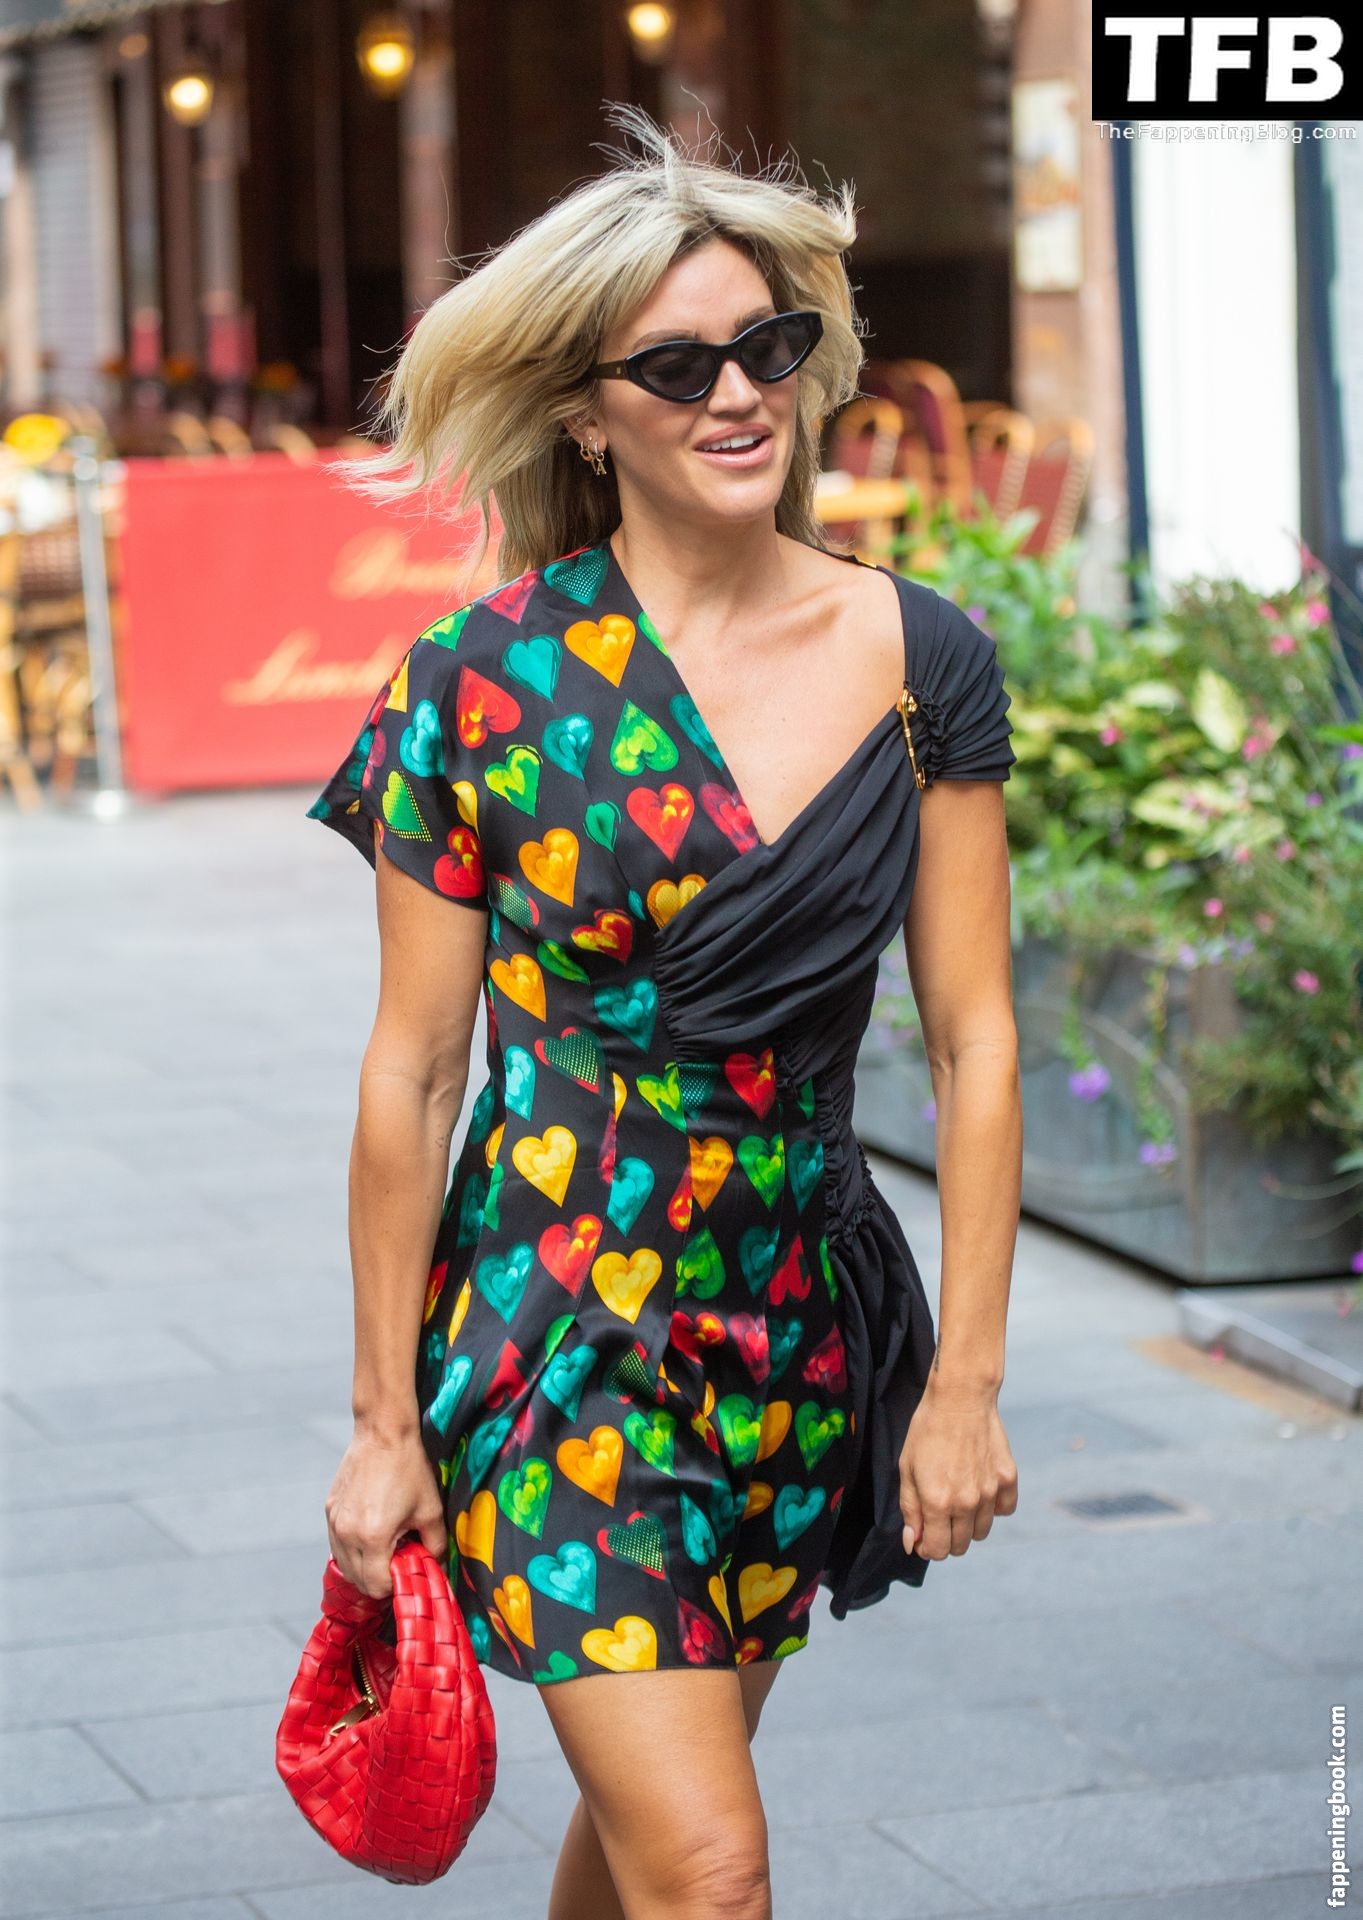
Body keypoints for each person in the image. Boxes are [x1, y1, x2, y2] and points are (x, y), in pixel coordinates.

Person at [306, 103, 1021, 1920]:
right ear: (583, 410)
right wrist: (382, 1422)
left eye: (767, 347)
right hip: (558, 1322)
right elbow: (414, 1069)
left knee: (652, 1856)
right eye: (679, 365)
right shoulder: (477, 686)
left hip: (796, 1324)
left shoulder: (920, 657)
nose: (739, 395)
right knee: (711, 1868)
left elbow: (975, 1039)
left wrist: (965, 1385)